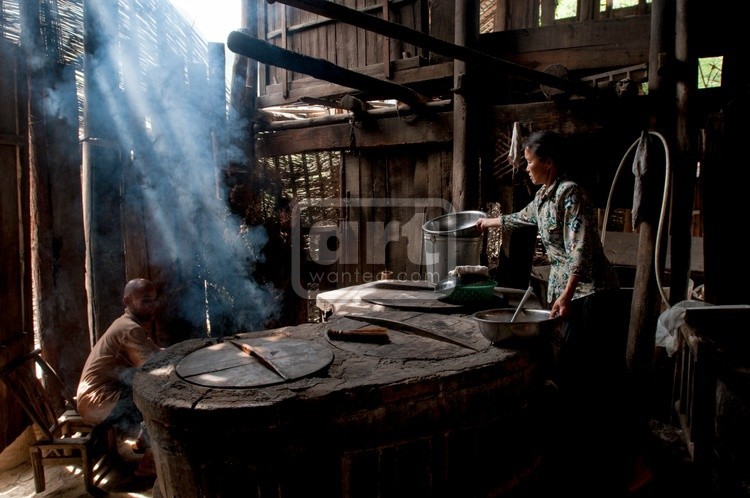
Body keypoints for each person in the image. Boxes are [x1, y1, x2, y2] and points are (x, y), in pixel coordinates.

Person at [475, 130, 650, 494]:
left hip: (593, 297)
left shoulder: (570, 193)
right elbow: (520, 219)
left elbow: (581, 249)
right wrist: (487, 223)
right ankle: (594, 461)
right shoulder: (543, 198)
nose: (526, 168)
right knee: (579, 378)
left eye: (529, 161)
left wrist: (567, 294)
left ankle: (632, 465)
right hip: (574, 298)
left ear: (549, 162)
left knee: (598, 380)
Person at [76, 278, 164, 478]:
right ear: (127, 301)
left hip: (100, 394)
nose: (152, 306)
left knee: (144, 390)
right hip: (97, 401)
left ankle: (143, 440)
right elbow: (154, 366)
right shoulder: (129, 329)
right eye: (145, 301)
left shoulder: (127, 323)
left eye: (154, 300)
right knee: (156, 402)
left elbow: (156, 353)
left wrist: (181, 352)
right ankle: (148, 464)